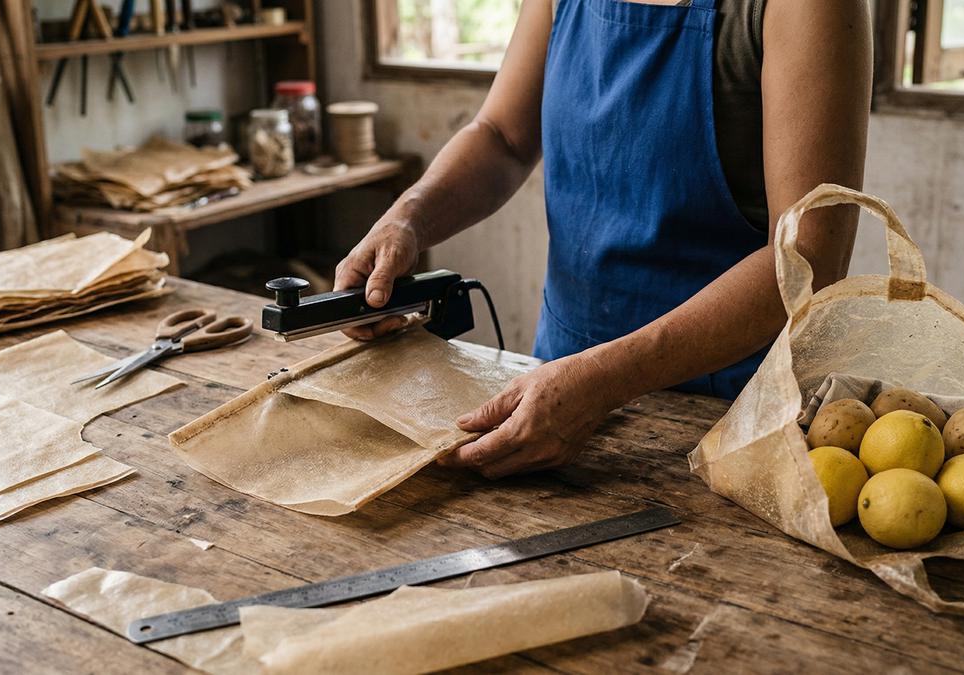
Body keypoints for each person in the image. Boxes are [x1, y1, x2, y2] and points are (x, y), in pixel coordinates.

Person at [333, 0, 872, 478]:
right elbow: (502, 137)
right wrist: (407, 220)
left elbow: (809, 258)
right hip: (554, 390)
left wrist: (604, 380)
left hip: (727, 417)